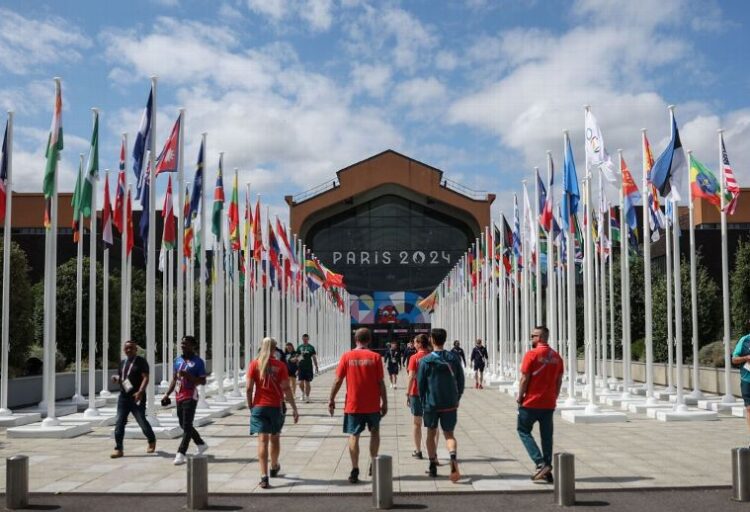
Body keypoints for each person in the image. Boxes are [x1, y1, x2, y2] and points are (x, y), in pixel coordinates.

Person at [328, 327, 388, 484]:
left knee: (354, 435)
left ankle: (355, 469)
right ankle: (374, 463)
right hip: (373, 404)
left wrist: (331, 399)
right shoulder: (375, 357)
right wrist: (385, 402)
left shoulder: (347, 356)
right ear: (369, 340)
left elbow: (338, 380)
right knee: (374, 433)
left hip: (353, 404)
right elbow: (380, 382)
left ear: (355, 339)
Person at [247, 337, 299, 489]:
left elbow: (249, 388)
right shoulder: (280, 365)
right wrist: (294, 408)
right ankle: (274, 465)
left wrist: (251, 406)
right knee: (274, 438)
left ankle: (264, 476)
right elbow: (286, 389)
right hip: (275, 406)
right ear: (275, 349)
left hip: (259, 406)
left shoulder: (254, 364)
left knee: (262, 440)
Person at [516, 325, 564, 484]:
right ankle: (547, 470)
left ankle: (540, 463)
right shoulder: (557, 357)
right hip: (548, 403)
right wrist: (554, 397)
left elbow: (524, 378)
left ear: (542, 338)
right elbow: (559, 381)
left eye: (534, 336)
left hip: (531, 401)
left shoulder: (531, 355)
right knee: (547, 437)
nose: (531, 338)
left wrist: (520, 395)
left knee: (523, 430)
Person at [417, 328, 464, 482]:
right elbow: (461, 380)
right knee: (449, 434)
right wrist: (457, 397)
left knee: (431, 433)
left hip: (432, 403)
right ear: (445, 339)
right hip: (450, 403)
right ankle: (452, 457)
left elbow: (420, 385)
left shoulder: (426, 360)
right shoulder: (454, 358)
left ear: (431, 339)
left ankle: (432, 465)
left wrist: (423, 401)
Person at [162, 335, 209, 465]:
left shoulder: (198, 362)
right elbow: (174, 379)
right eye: (182, 343)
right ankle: (200, 444)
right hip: (179, 395)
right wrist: (167, 394)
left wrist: (188, 376)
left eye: (186, 344)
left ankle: (181, 453)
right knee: (184, 424)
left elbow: (202, 381)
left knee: (187, 424)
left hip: (190, 395)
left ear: (193, 346)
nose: (183, 346)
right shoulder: (177, 360)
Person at [111, 340, 156, 458]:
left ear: (136, 350)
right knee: (119, 421)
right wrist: (117, 378)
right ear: (124, 350)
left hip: (137, 396)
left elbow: (146, 378)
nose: (129, 350)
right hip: (124, 396)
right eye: (126, 348)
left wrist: (140, 391)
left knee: (141, 420)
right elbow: (123, 378)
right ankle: (118, 448)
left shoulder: (141, 362)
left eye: (131, 348)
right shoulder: (122, 363)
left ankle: (151, 440)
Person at [405, 334, 431, 459]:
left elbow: (411, 376)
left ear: (420, 344)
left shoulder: (414, 358)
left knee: (417, 423)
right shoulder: (433, 356)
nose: (414, 344)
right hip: (431, 393)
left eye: (415, 342)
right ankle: (433, 451)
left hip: (416, 392)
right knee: (433, 424)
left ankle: (418, 450)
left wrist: (407, 392)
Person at [731, 321, 750, 442]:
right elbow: (734, 359)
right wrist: (747, 358)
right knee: (749, 409)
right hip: (747, 380)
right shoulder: (744, 340)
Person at [297, 334, 319, 403]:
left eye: (306, 339)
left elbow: (314, 357)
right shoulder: (299, 347)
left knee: (307, 383)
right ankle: (302, 393)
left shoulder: (311, 347)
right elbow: (297, 357)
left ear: (308, 339)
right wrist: (296, 366)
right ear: (302, 339)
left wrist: (316, 366)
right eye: (304, 339)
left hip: (308, 367)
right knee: (300, 382)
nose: (305, 340)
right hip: (301, 367)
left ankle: (307, 396)